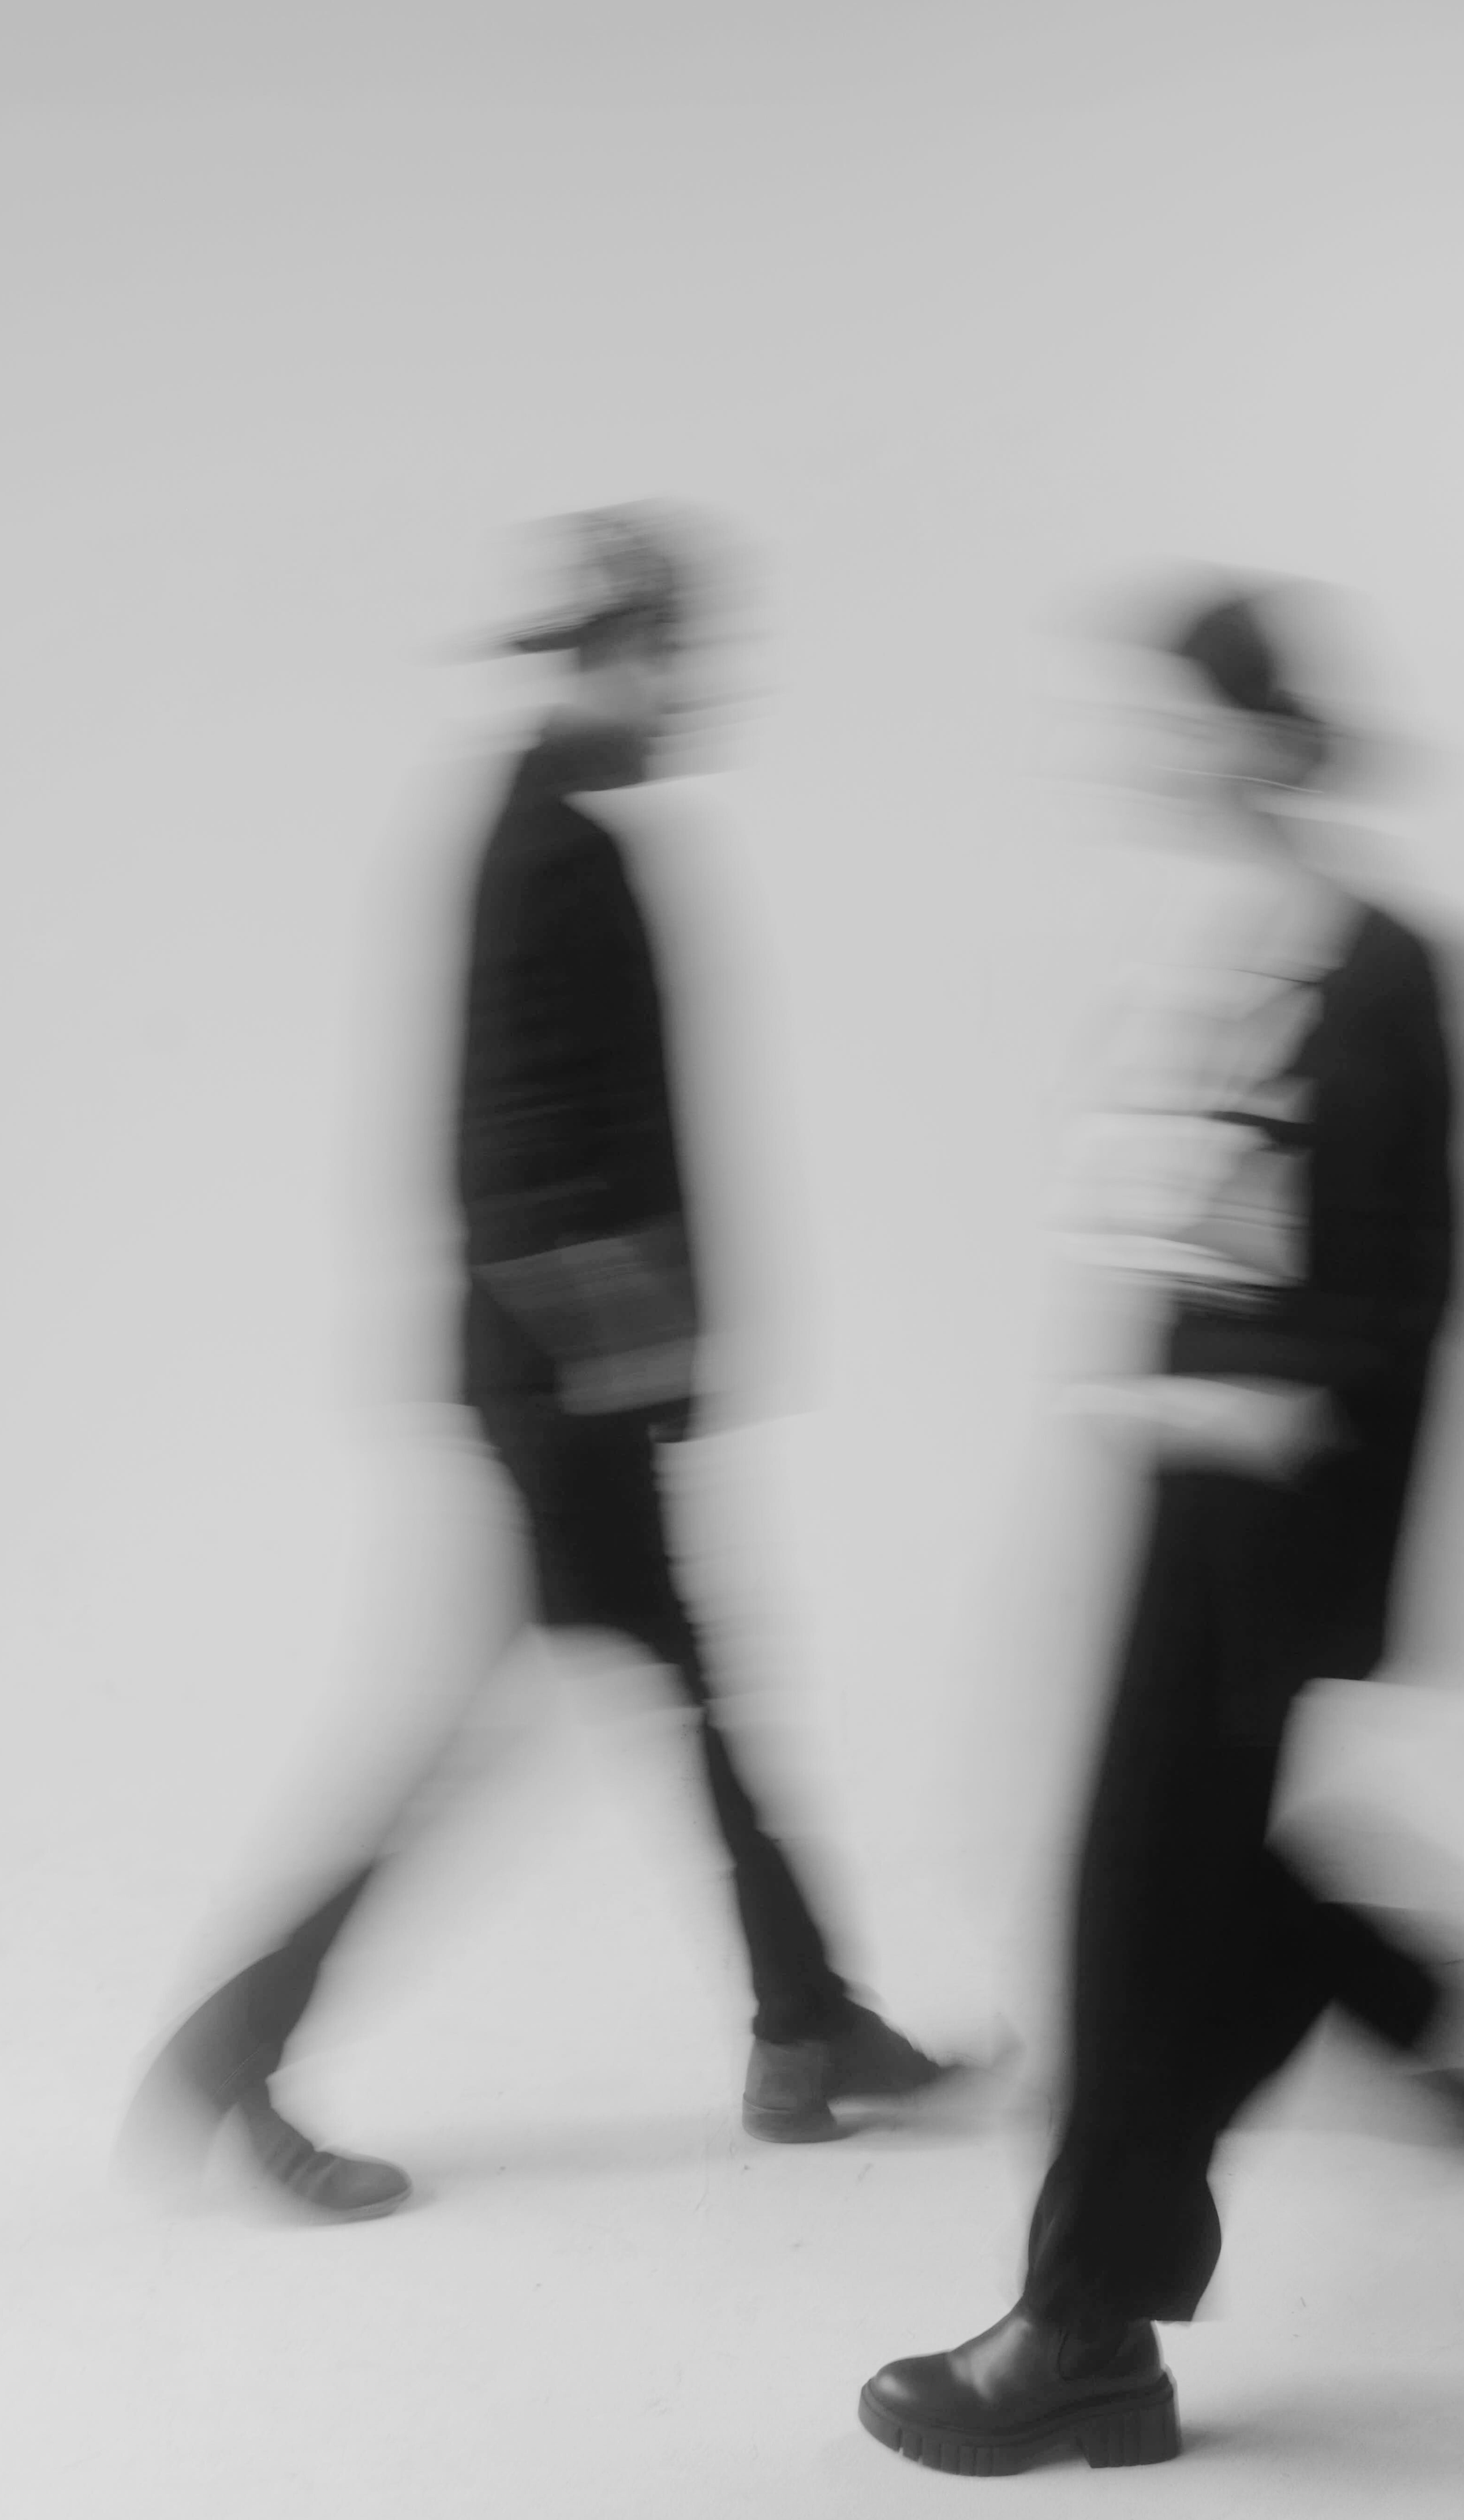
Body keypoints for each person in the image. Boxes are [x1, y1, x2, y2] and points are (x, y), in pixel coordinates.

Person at [858, 582, 1464, 2475]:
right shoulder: (1209, 944)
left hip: (1273, 1520)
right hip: (1178, 1496)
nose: (1149, 754)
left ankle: (1083, 2330)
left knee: (1133, 1914)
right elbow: (1173, 1228)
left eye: (1180, 719)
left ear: (1261, 739)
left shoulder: (1382, 967)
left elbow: (1409, 1284)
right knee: (1223, 1909)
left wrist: (1273, 1419)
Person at [124, 505, 945, 2223]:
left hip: (567, 1377)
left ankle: (805, 2025)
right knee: (551, 1724)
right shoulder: (555, 845)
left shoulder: (546, 824)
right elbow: (514, 1149)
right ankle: (245, 2046)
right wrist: (625, 1350)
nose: (698, 687)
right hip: (567, 1384)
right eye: (678, 653)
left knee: (679, 1693)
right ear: (614, 651)